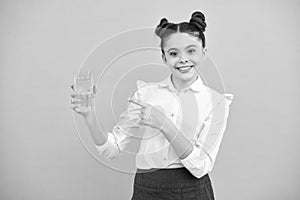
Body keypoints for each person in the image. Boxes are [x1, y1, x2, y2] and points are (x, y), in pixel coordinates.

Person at [70, 11, 233, 200]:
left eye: (191, 50)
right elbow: (111, 149)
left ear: (203, 53)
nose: (183, 59)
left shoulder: (217, 102)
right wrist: (89, 116)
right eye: (173, 53)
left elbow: (200, 167)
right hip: (147, 191)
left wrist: (164, 125)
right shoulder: (145, 94)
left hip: (192, 191)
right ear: (164, 57)